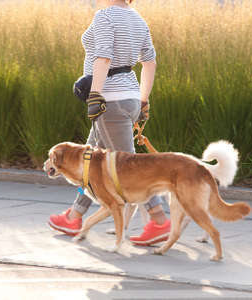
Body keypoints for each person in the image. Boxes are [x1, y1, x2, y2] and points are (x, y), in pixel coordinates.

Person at [48, 0, 170, 245]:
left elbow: (103, 57)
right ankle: (74, 216)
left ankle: (158, 220)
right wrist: (144, 101)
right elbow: (149, 63)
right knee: (89, 161)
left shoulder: (104, 17)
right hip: (131, 97)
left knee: (130, 163)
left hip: (109, 101)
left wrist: (95, 94)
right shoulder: (137, 19)